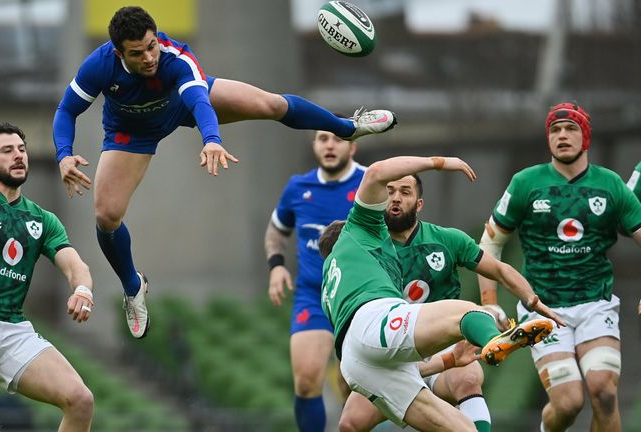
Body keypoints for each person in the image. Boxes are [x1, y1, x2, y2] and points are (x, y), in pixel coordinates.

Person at [53, 6, 397, 338]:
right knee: (106, 216)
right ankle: (133, 286)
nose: (149, 57)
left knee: (271, 105)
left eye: (151, 46)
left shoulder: (174, 59)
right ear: (117, 53)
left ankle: (347, 126)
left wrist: (212, 139)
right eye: (137, 53)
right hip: (131, 131)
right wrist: (64, 156)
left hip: (184, 105)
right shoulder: (98, 65)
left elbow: (200, 102)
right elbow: (67, 109)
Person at [318, 155, 562, 431]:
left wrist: (531, 299)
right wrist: (441, 162)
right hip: (389, 328)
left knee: (352, 424)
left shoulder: (332, 280)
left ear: (419, 204)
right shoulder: (364, 234)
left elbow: (497, 268)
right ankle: (494, 339)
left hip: (369, 357)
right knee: (469, 312)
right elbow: (376, 172)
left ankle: (489, 342)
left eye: (405, 192)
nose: (394, 199)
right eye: (389, 193)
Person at [476, 103, 641, 432]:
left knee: (605, 392)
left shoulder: (610, 185)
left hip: (595, 306)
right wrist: (489, 303)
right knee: (569, 403)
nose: (562, 135)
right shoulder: (526, 182)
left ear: (585, 136)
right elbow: (489, 243)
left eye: (570, 128)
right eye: (555, 130)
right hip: (542, 311)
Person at [0, 122, 96, 432]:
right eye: (7, 151)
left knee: (81, 400)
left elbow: (76, 265)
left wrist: (82, 290)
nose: (19, 156)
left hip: (13, 328)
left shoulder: (42, 218)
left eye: (22, 150)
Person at [265, 129, 363, 432]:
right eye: (323, 138)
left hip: (360, 298)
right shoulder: (298, 187)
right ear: (315, 145)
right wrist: (276, 267)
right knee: (307, 381)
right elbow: (276, 233)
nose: (330, 145)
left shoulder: (371, 182)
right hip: (314, 295)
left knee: (352, 386)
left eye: (337, 139)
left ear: (353, 146)